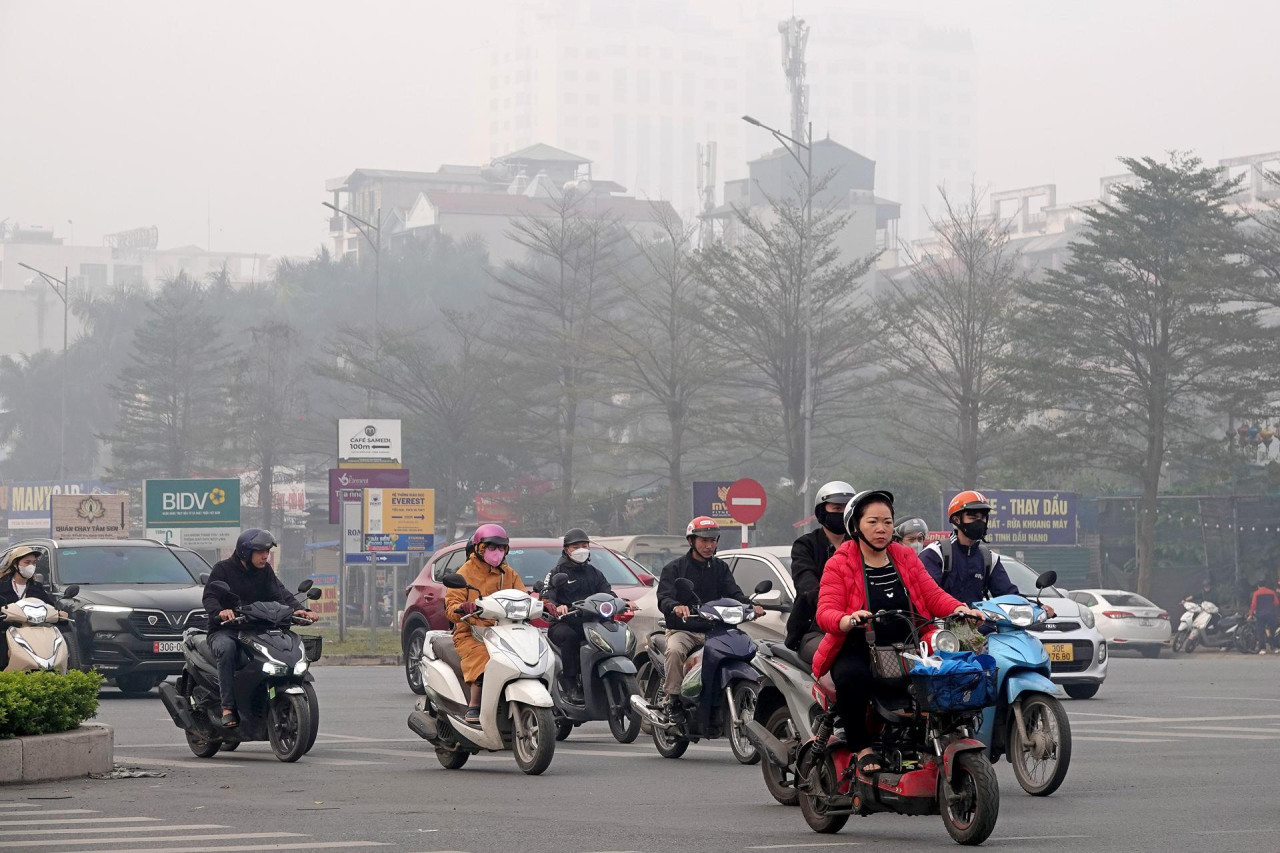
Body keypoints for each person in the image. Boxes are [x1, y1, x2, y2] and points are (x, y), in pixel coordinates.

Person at [813, 490, 985, 774]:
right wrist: (847, 619)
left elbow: (932, 595)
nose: (881, 529)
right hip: (859, 646)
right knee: (852, 677)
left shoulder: (904, 556)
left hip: (909, 644)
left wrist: (960, 609)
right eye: (872, 522)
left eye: (887, 522)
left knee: (951, 673)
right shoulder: (840, 562)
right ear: (855, 526)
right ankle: (861, 747)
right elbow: (825, 612)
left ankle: (935, 742)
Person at [654, 516, 763, 720]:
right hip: (684, 629)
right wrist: (676, 606)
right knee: (675, 650)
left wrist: (750, 605)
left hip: (715, 629)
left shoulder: (720, 568)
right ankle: (673, 699)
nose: (709, 545)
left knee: (747, 647)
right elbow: (664, 598)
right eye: (704, 540)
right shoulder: (674, 568)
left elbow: (734, 592)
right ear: (691, 541)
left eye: (713, 540)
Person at [203, 529, 313, 727]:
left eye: (267, 552)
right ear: (246, 552)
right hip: (227, 630)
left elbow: (281, 595)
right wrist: (221, 612)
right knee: (227, 649)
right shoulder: (223, 569)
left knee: (284, 644)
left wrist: (299, 610)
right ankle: (227, 707)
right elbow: (210, 596)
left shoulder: (265, 572)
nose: (265, 556)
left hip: (257, 629)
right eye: (260, 551)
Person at [920, 490, 1053, 617]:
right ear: (956, 520)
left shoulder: (989, 558)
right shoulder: (936, 553)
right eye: (973, 517)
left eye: (983, 517)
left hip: (980, 629)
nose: (979, 522)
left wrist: (1036, 606)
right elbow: (927, 594)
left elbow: (1008, 595)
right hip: (943, 632)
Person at [446, 523, 526, 724]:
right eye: (491, 547)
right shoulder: (465, 573)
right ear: (479, 548)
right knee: (484, 657)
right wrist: (463, 607)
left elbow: (523, 596)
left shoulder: (509, 574)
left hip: (505, 631)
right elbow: (451, 606)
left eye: (501, 548)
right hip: (471, 632)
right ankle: (475, 704)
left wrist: (543, 605)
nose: (496, 552)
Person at [541, 528, 633, 700]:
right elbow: (546, 597)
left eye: (584, 545)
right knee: (569, 637)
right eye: (575, 546)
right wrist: (556, 607)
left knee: (617, 634)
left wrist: (623, 602)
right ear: (566, 549)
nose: (581, 549)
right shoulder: (556, 573)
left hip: (593, 623)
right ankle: (570, 683)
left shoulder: (594, 573)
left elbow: (608, 594)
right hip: (565, 623)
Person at [786, 481, 857, 660]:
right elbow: (806, 583)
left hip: (858, 626)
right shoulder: (805, 545)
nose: (842, 513)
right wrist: (832, 607)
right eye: (836, 508)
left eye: (846, 508)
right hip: (815, 629)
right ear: (822, 512)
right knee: (842, 657)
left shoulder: (861, 544)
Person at [0, 545, 67, 671]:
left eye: (34, 563)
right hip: (6, 631)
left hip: (34, 633)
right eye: (27, 562)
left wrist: (59, 614)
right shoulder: (2, 586)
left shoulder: (36, 587)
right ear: (15, 564)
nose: (31, 566)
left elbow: (49, 606)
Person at [1248, 577, 1279, 654]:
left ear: (1258, 585)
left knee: (1260, 631)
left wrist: (1251, 614)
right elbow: (1276, 603)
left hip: (1260, 615)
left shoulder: (1256, 593)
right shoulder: (1271, 592)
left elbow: (1253, 604)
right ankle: (1275, 647)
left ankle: (1263, 649)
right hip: (1271, 614)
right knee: (1273, 631)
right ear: (1266, 585)